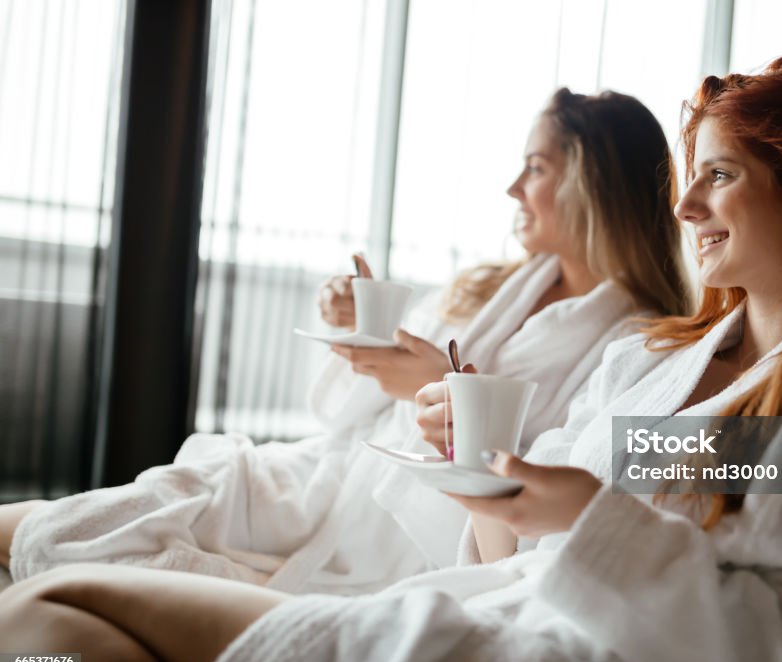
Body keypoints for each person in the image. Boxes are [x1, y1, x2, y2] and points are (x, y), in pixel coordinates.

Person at [0, 53, 782, 662]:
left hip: (560, 658)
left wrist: (577, 510)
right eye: (688, 178)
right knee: (55, 628)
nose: (686, 207)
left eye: (719, 175)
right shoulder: (657, 357)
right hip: (484, 612)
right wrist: (483, 463)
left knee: (55, 614)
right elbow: (492, 557)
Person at [0, 88, 689, 596]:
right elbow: (349, 413)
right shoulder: (489, 287)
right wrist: (358, 338)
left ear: (594, 183)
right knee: (160, 499)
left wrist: (437, 396)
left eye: (536, 168)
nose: (514, 187)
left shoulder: (636, 344)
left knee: (122, 563)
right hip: (334, 473)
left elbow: (553, 480)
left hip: (406, 531)